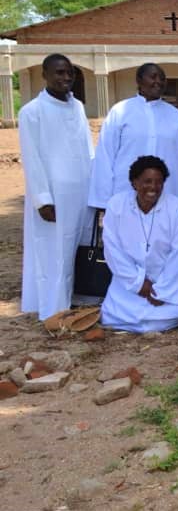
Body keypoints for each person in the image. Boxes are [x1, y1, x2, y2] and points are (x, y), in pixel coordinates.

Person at [18, 54, 94, 319]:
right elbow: (32, 158)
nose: (65, 78)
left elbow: (87, 149)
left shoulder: (77, 107)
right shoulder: (31, 112)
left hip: (82, 191)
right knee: (54, 251)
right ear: (45, 74)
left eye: (69, 73)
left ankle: (77, 300)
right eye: (59, 73)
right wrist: (42, 200)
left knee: (81, 247)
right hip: (54, 196)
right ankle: (54, 309)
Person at [100, 156, 178, 333]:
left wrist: (163, 290)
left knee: (160, 320)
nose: (153, 187)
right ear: (134, 183)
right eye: (147, 181)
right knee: (115, 317)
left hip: (167, 286)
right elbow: (113, 250)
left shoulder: (177, 208)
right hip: (128, 285)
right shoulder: (116, 205)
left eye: (159, 182)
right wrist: (138, 283)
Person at [90, 63, 178, 210]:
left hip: (169, 194)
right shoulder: (120, 112)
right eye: (153, 77)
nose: (158, 81)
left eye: (162, 78)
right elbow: (105, 156)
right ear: (139, 80)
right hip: (126, 193)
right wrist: (103, 200)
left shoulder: (175, 115)